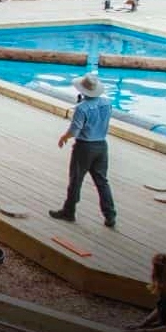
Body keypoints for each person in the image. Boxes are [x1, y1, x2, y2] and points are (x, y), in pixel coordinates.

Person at [49, 72, 117, 229]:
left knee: (76, 180)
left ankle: (69, 211)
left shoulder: (82, 108)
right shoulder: (107, 103)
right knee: (102, 181)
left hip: (85, 147)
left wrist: (64, 137)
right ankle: (110, 215)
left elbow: (75, 129)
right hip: (101, 145)